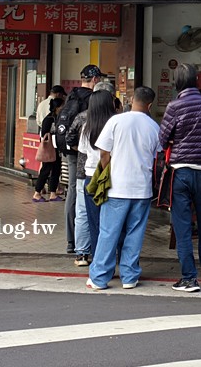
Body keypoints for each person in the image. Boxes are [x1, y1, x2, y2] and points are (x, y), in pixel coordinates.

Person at [86, 87, 161, 291]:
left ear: (131, 100)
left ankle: (100, 277)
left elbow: (103, 152)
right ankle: (129, 276)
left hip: (117, 188)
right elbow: (157, 158)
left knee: (109, 232)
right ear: (150, 105)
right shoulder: (154, 127)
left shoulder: (116, 121)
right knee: (135, 233)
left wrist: (105, 170)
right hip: (142, 189)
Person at [160, 64, 201, 292]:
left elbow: (163, 138)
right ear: (196, 80)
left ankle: (189, 278)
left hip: (181, 172)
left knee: (183, 226)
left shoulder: (174, 106)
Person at [59, 64, 103, 255]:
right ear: (94, 80)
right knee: (85, 198)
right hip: (86, 155)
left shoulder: (72, 96)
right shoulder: (91, 100)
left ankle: (72, 240)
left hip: (69, 151)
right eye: (99, 79)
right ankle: (86, 243)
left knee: (72, 193)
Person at [71, 85, 117, 266]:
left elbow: (81, 150)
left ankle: (100, 263)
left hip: (91, 178)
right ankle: (113, 259)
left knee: (94, 223)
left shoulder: (87, 127)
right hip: (112, 177)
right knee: (113, 224)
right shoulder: (115, 125)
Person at [32, 97, 64, 202]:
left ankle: (53, 193)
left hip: (56, 149)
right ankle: (37, 193)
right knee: (45, 170)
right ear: (57, 108)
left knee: (56, 170)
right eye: (62, 106)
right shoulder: (48, 119)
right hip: (49, 149)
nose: (63, 108)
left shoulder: (57, 118)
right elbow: (44, 135)